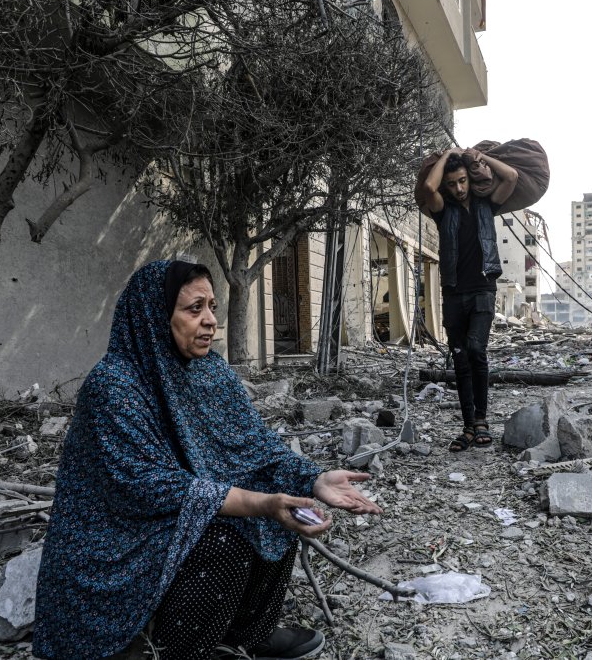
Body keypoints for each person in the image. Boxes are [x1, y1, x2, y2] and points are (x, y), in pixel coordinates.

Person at [33, 260, 381, 660]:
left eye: (212, 307)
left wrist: (313, 480)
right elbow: (145, 488)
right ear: (155, 315)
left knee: (278, 507)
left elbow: (256, 446)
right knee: (223, 538)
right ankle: (179, 649)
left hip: (184, 508)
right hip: (119, 538)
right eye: (194, 309)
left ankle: (246, 635)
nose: (210, 321)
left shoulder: (209, 371)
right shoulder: (114, 384)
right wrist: (257, 503)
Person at [419, 147, 518, 452]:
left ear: (469, 179)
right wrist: (448, 153)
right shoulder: (442, 210)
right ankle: (468, 427)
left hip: (483, 289)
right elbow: (427, 188)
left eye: (462, 181)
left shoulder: (488, 204)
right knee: (460, 359)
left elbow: (511, 176)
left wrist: (477, 157)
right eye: (452, 184)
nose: (459, 188)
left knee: (476, 349)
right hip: (452, 293)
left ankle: (482, 420)